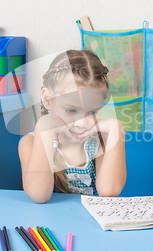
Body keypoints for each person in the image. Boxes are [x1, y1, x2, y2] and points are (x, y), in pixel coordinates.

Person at [19, 50, 126, 204]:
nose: (82, 123)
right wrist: (45, 127)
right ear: (47, 99)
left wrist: (116, 127)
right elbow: (38, 195)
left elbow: (109, 191)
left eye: (92, 112)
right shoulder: (30, 143)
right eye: (71, 110)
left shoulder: (100, 142)